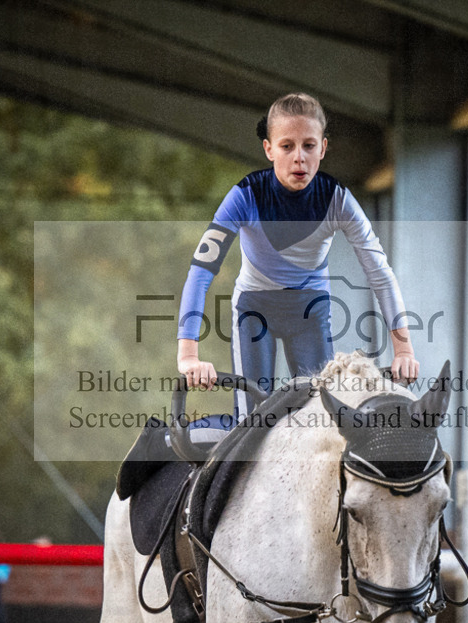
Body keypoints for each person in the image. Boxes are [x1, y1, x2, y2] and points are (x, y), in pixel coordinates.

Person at [177, 93, 419, 418]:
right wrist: (189, 355)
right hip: (255, 309)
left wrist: (403, 348)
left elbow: (379, 271)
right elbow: (201, 270)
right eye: (286, 146)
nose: (299, 159)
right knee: (253, 420)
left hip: (310, 313)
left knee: (323, 417)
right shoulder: (245, 196)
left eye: (308, 145)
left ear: (323, 148)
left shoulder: (338, 200)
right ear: (268, 149)